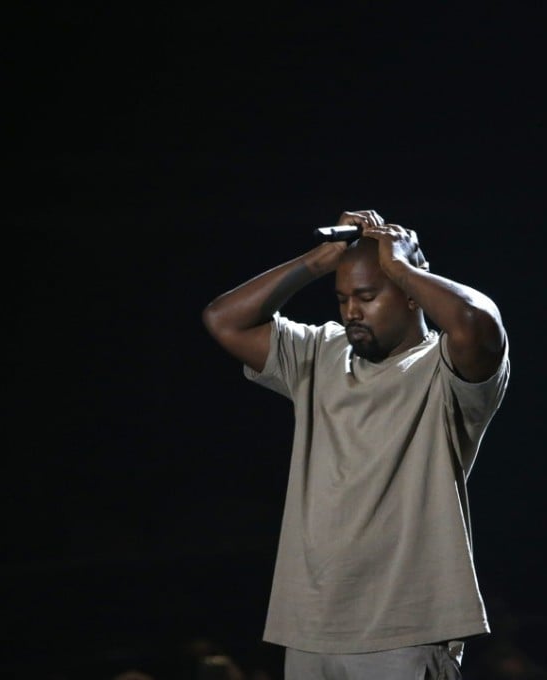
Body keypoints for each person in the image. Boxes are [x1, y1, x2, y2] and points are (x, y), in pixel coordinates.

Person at [202, 209, 510, 679]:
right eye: (343, 297)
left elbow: (477, 325)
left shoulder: (444, 368)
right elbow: (224, 320)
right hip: (310, 624)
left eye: (367, 296)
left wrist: (405, 267)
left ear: (411, 297)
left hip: (405, 628)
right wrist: (317, 262)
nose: (351, 311)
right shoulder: (321, 353)